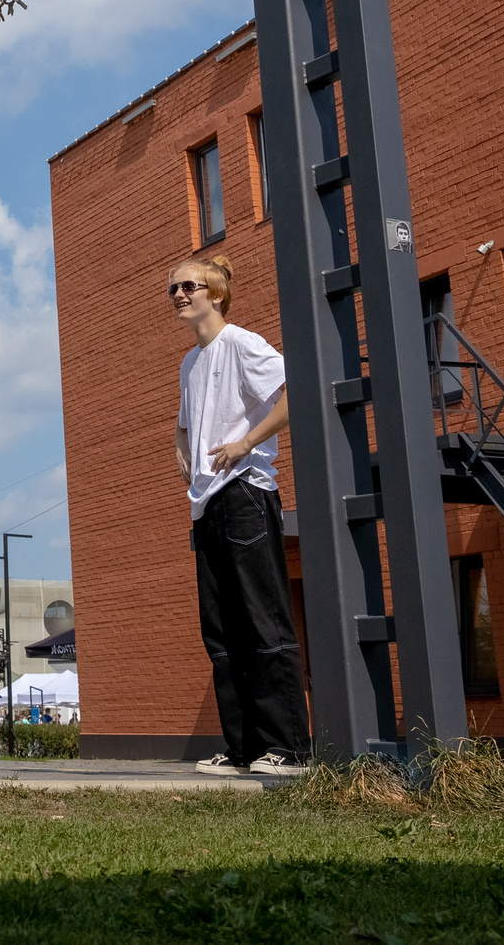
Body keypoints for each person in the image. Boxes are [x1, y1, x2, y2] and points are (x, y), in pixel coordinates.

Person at [172, 254, 309, 777]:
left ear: (216, 293)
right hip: (207, 502)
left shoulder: (243, 343)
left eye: (189, 286)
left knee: (263, 619)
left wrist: (246, 442)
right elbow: (185, 423)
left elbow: (293, 393)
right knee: (222, 630)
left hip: (246, 493)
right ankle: (245, 749)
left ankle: (289, 748)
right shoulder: (190, 362)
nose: (180, 295)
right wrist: (181, 450)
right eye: (174, 290)